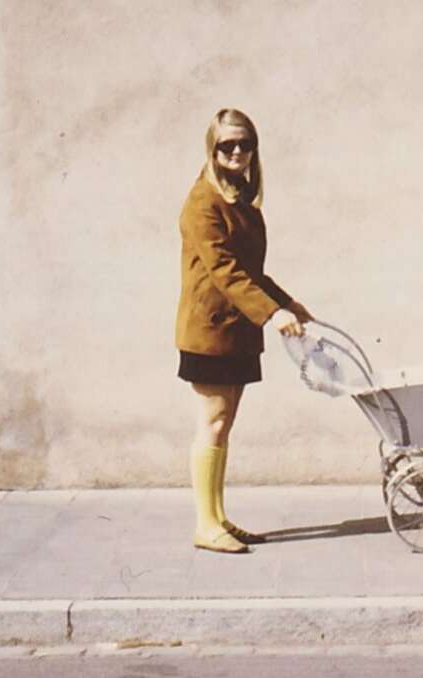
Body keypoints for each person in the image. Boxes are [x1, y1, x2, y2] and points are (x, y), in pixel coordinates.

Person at [175, 108, 313, 554]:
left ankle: (217, 518)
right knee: (212, 422)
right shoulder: (203, 203)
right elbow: (225, 271)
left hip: (237, 328)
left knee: (223, 423)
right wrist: (271, 315)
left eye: (244, 144)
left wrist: (286, 303)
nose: (236, 152)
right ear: (211, 150)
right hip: (211, 330)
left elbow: (253, 272)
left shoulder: (241, 201)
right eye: (226, 145)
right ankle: (204, 524)